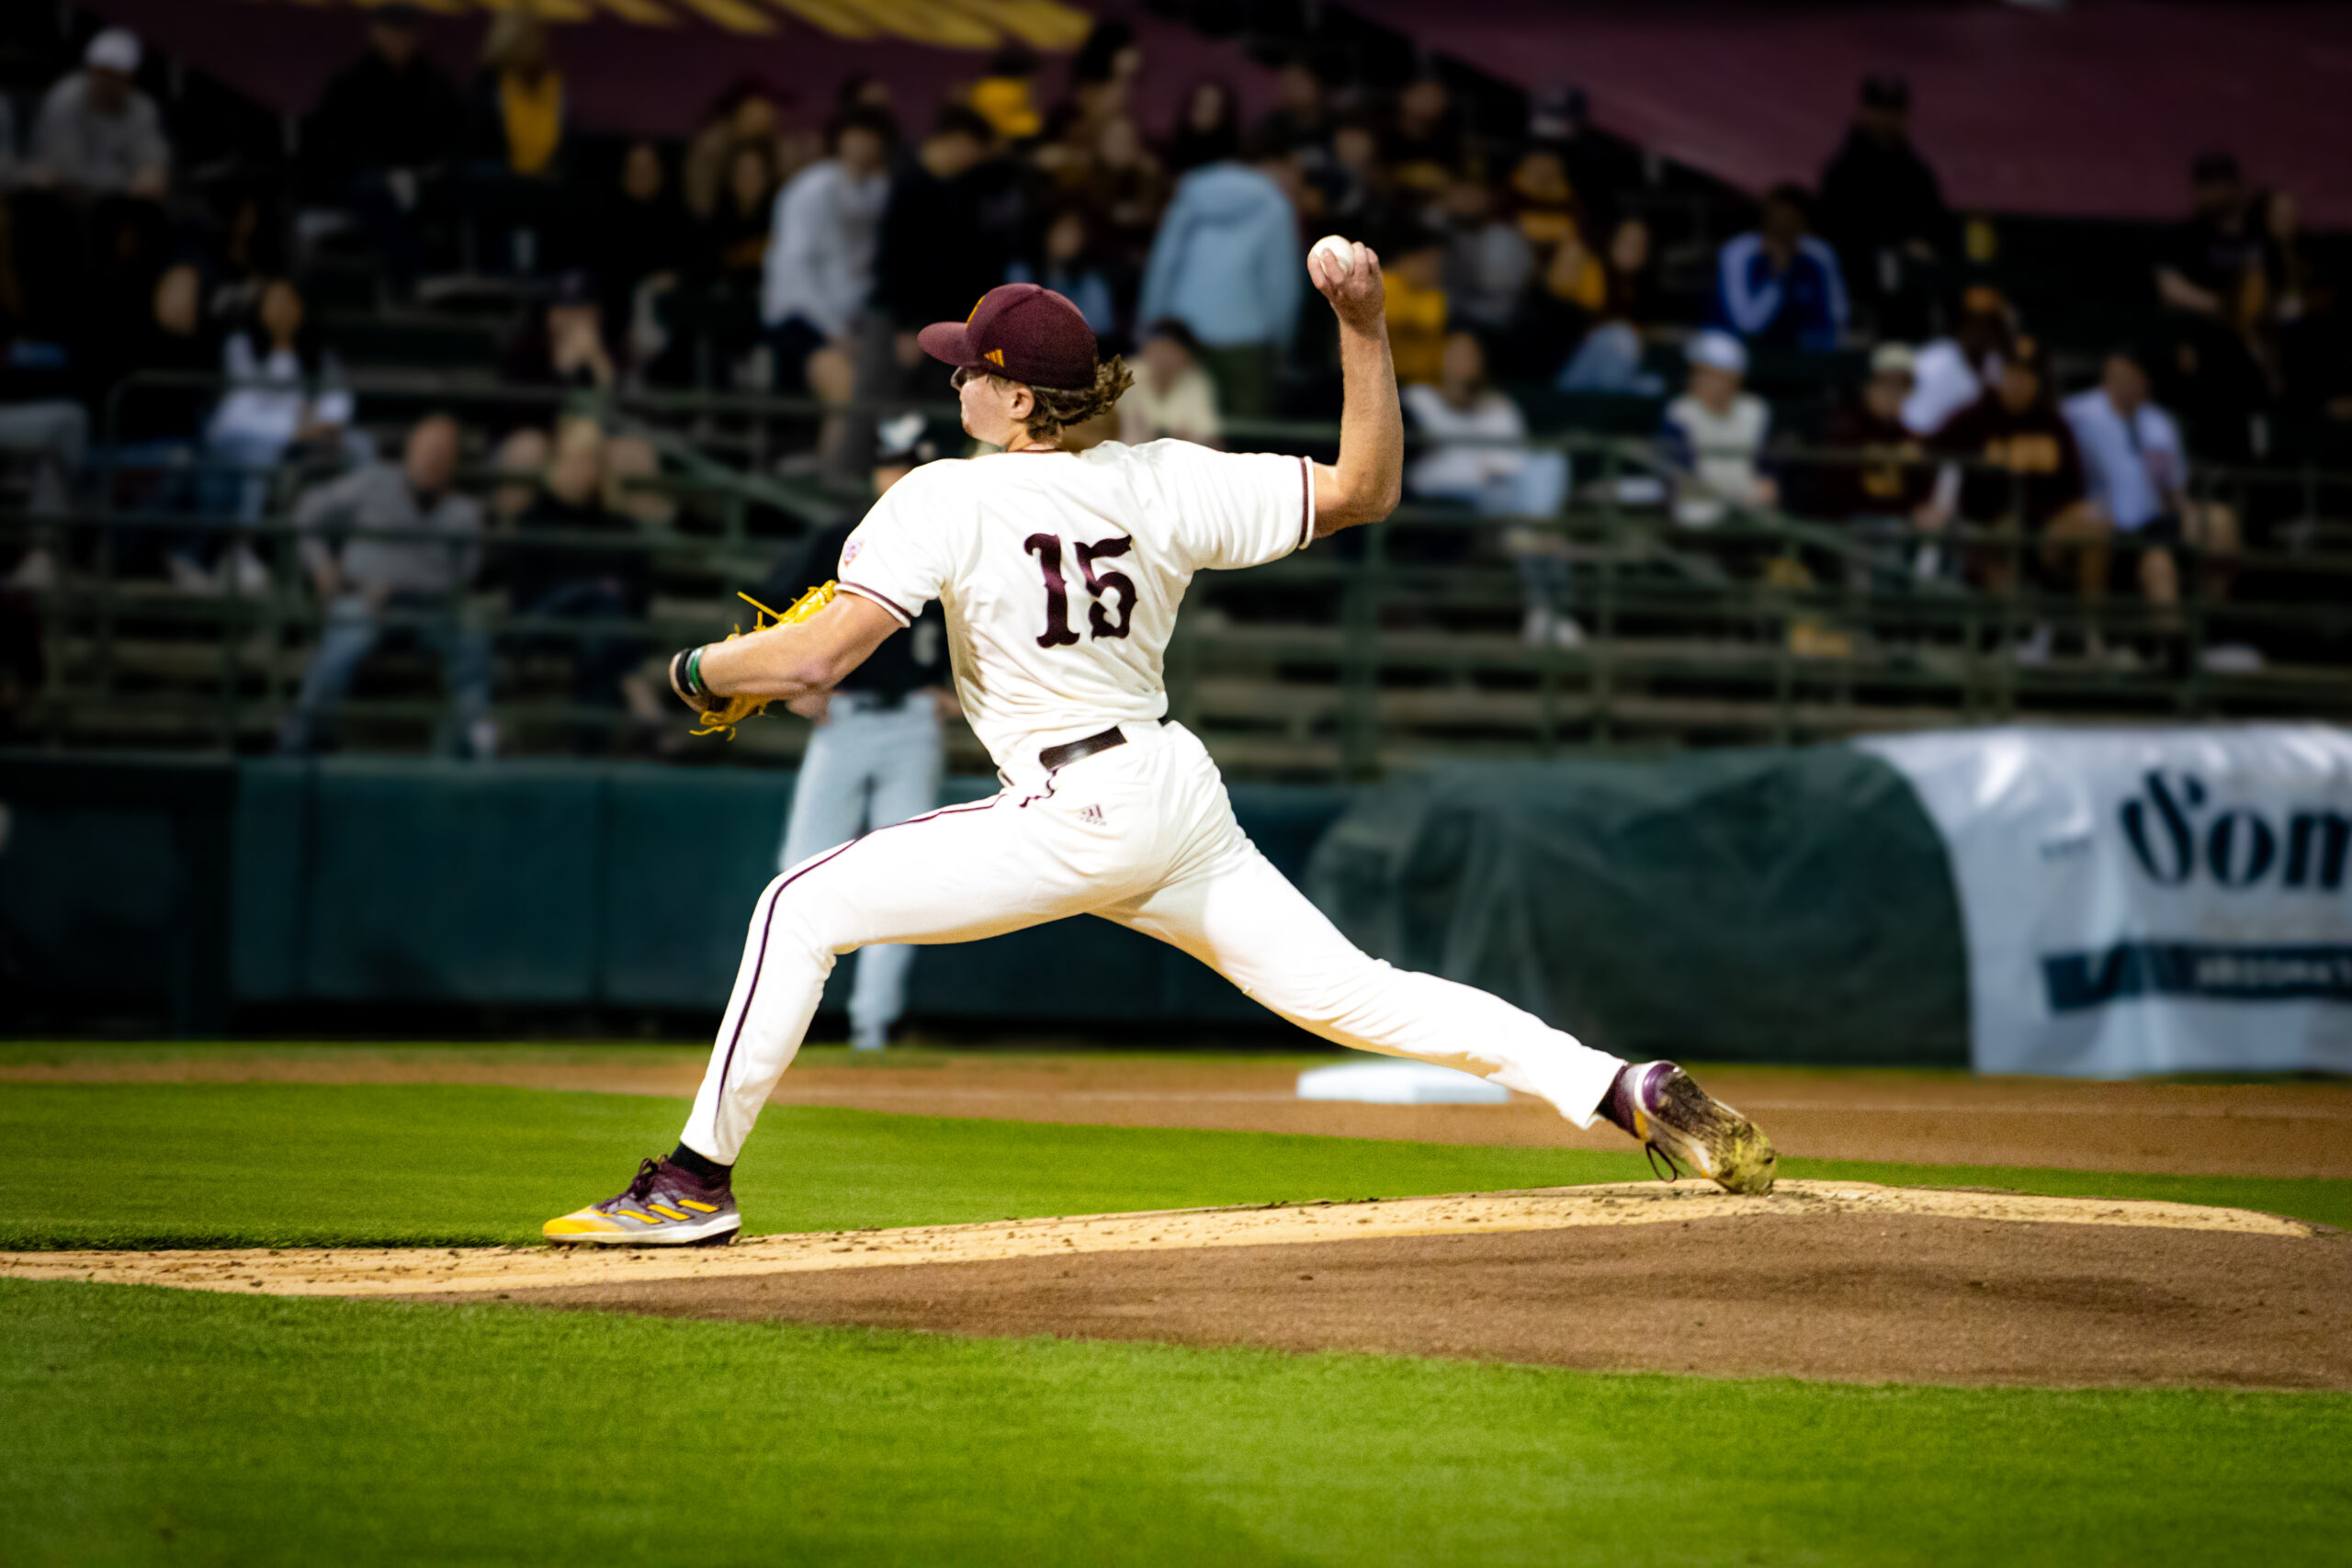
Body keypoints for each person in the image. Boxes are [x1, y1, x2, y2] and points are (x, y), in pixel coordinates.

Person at [543, 264, 1775, 1246]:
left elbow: (814, 661)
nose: (958, 380)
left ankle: (693, 1181)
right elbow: (1365, 487)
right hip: (1173, 793)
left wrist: (695, 669)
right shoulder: (1162, 478)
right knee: (1359, 992)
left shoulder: (939, 497)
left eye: (972, 368)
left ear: (1018, 398)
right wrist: (1363, 326)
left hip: (1075, 802)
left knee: (796, 904)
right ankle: (1622, 1083)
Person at [758, 415, 956, 1054]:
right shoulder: (840, 539)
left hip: (914, 722)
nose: (898, 476)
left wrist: (959, 693)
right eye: (892, 463)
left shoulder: (962, 540)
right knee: (798, 867)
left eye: (911, 464)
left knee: (906, 880)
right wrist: (793, 682)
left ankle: (872, 1027)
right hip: (845, 718)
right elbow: (766, 607)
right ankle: (775, 1025)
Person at [277, 414, 492, 758]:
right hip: (368, 600)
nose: (430, 459)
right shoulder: (374, 481)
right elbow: (306, 513)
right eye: (424, 449)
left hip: (431, 611)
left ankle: (469, 752)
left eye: (440, 453)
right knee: (334, 651)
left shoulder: (464, 513)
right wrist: (322, 570)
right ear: (409, 450)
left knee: (472, 636)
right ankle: (302, 745)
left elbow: (466, 574)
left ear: (452, 463)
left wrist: (437, 592)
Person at [1922, 336, 2109, 648]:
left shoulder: (2052, 424)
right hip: (1990, 525)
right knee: (2006, 536)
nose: (2019, 382)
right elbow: (1929, 455)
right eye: (2012, 373)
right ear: (2001, 375)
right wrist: (1932, 506)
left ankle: (2089, 631)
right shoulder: (1975, 417)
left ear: (2038, 381)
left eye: (2028, 375)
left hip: (2045, 528)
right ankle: (2011, 638)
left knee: (2097, 527)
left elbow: (2074, 489)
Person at [1400, 331, 1575, 646]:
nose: (1462, 362)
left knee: (1550, 465)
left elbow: (1516, 463)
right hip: (1446, 491)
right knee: (1535, 518)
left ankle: (1542, 609)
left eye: (1470, 355)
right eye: (1455, 353)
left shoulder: (1499, 407)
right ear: (1440, 357)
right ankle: (1550, 609)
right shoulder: (1419, 399)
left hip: (1501, 493)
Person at [196, 277, 362, 585]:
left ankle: (360, 551)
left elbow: (339, 403)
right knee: (262, 453)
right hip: (243, 437)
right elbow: (251, 404)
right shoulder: (240, 346)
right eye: (275, 302)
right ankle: (243, 548)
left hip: (298, 438)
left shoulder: (319, 355)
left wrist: (311, 422)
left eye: (290, 302)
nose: (283, 310)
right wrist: (300, 422)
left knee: (361, 447)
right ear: (259, 308)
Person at [506, 418, 658, 752]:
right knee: (598, 601)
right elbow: (525, 595)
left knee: (599, 638)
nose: (582, 471)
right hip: (543, 623)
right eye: (574, 461)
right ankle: (641, 701)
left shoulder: (620, 526)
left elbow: (638, 595)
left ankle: (589, 752)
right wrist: (594, 589)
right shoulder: (534, 521)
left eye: (590, 462)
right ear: (555, 464)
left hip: (601, 631)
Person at [2063, 350, 2242, 629]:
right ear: (2107, 376)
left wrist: (2184, 509)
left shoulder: (2159, 423)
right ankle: (2156, 642)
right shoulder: (2078, 413)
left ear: (2145, 383)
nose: (2124, 382)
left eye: (2133, 376)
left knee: (2220, 522)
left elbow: (2175, 486)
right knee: (2158, 564)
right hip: (2104, 516)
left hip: (2154, 519)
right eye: (2117, 375)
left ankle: (2215, 624)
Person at [1136, 138, 1302, 420]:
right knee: (1246, 440)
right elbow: (1279, 282)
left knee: (1184, 432)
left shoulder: (1189, 197)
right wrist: (1280, 341)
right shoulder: (1275, 205)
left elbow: (1164, 264)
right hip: (1249, 338)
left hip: (1183, 332)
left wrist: (1151, 325)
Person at [307, 3, 462, 294]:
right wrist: (385, 173)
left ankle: (455, 288)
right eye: (392, 32)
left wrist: (423, 172)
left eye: (405, 33)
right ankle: (408, 287)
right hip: (363, 184)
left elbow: (453, 136)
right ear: (375, 33)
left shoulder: (434, 82)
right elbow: (335, 146)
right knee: (380, 197)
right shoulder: (351, 82)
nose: (399, 41)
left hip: (424, 181)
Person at [761, 107, 894, 392]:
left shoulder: (881, 192)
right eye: (856, 135)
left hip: (855, 322)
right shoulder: (809, 190)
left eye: (871, 137)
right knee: (846, 394)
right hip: (801, 319)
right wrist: (833, 330)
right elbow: (793, 272)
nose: (863, 145)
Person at [1816, 75, 1948, 340]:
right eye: (1879, 109)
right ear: (1865, 111)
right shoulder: (1843, 170)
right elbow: (1834, 228)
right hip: (1854, 289)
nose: (1886, 119)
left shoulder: (1917, 173)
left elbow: (1934, 226)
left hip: (1907, 298)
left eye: (1894, 111)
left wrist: (1918, 249)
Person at [1811, 342, 1937, 590]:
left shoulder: (1911, 440)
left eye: (1901, 385)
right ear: (1868, 386)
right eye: (1885, 383)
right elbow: (1833, 497)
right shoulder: (1845, 430)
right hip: (1852, 529)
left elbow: (1924, 495)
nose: (1892, 393)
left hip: (1900, 529)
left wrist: (1920, 511)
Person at [26, 28, 169, 199]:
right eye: (101, 72)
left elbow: (151, 164)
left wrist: (150, 173)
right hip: (62, 199)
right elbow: (65, 171)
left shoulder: (142, 109)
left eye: (115, 76)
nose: (106, 82)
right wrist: (127, 184)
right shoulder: (66, 98)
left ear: (129, 79)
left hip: (115, 204)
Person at [1712, 185, 1849, 352]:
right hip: (1749, 354)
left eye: (1789, 220)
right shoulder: (1740, 252)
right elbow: (1749, 325)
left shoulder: (1819, 254)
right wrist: (1778, 277)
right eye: (1776, 220)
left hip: (1809, 357)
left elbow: (1838, 317)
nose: (1782, 228)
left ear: (1802, 222)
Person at [1660, 331, 1776, 528]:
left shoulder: (1756, 410)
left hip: (1747, 505)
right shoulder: (1680, 412)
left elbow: (1768, 476)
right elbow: (1678, 475)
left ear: (1733, 378)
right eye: (1697, 372)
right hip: (1699, 505)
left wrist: (1763, 488)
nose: (1698, 379)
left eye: (1708, 373)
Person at [1903, 286, 2011, 435]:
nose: (1982, 331)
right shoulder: (1936, 358)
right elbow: (1914, 421)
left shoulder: (1998, 362)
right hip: (1933, 446)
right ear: (1960, 323)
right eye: (1975, 322)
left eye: (1990, 324)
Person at [1116, 319, 1220, 447]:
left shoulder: (1195, 380)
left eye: (1170, 349)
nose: (1162, 356)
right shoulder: (1127, 374)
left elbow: (1211, 437)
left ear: (1185, 355)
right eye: (1157, 347)